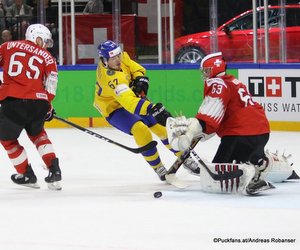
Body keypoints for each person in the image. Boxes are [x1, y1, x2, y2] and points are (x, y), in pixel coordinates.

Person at [166, 52, 298, 193]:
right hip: (261, 132)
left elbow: (209, 116)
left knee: (217, 175)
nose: (205, 74)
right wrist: (201, 130)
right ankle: (266, 163)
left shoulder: (217, 83)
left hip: (240, 134)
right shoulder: (233, 81)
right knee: (252, 158)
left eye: (207, 70)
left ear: (215, 68)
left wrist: (191, 130)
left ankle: (250, 175)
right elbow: (216, 121)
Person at [93, 40, 200, 181]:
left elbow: (136, 68)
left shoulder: (121, 57)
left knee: (162, 129)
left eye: (118, 55)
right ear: (104, 60)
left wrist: (139, 79)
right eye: (113, 58)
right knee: (140, 129)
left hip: (131, 99)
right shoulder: (111, 79)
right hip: (114, 109)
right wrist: (151, 108)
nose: (118, 59)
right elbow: (130, 103)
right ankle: (158, 167)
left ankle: (184, 157)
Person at [0, 23, 62, 190]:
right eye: (45, 41)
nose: (45, 45)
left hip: (13, 101)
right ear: (37, 37)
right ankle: (54, 170)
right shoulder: (48, 57)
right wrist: (47, 105)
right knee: (39, 135)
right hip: (38, 103)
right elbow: (51, 84)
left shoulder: (8, 46)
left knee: (7, 140)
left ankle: (26, 174)